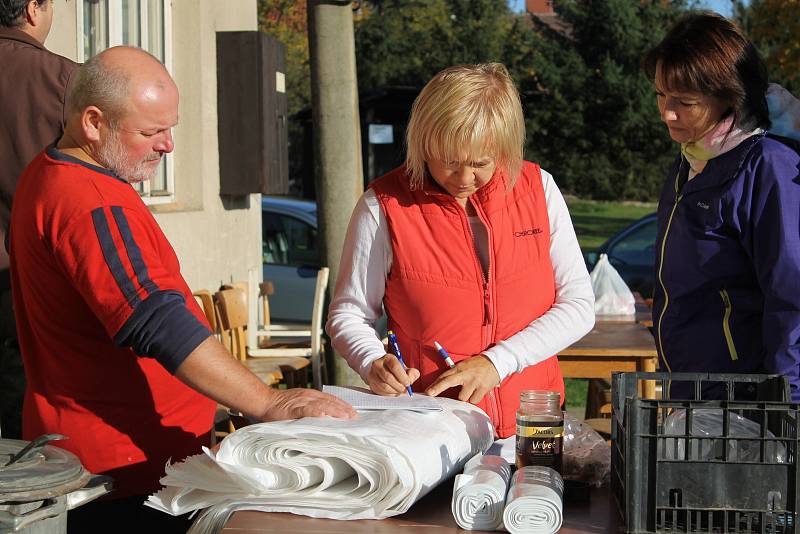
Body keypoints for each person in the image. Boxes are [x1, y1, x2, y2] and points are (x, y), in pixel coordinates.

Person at [9, 46, 356, 533]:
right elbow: (154, 316)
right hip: (123, 473)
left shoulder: (55, 173)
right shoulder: (89, 200)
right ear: (92, 122)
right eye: (151, 132)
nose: (167, 145)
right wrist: (267, 401)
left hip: (118, 460)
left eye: (169, 128)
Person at [326, 63, 595, 438]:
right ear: (423, 143)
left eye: (481, 163)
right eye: (449, 162)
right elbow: (349, 313)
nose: (465, 179)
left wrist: (497, 363)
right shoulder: (382, 207)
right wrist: (371, 361)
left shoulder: (539, 189)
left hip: (534, 421)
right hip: (434, 429)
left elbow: (579, 307)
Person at [644, 12, 800, 401]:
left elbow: (792, 296)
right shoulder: (690, 161)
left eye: (686, 101)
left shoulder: (768, 165)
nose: (667, 112)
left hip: (746, 405)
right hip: (691, 394)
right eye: (661, 95)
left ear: (728, 97)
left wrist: (789, 407)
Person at [0, 0, 78, 439]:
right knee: (27, 439)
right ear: (33, 8)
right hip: (31, 283)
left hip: (22, 279)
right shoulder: (65, 81)